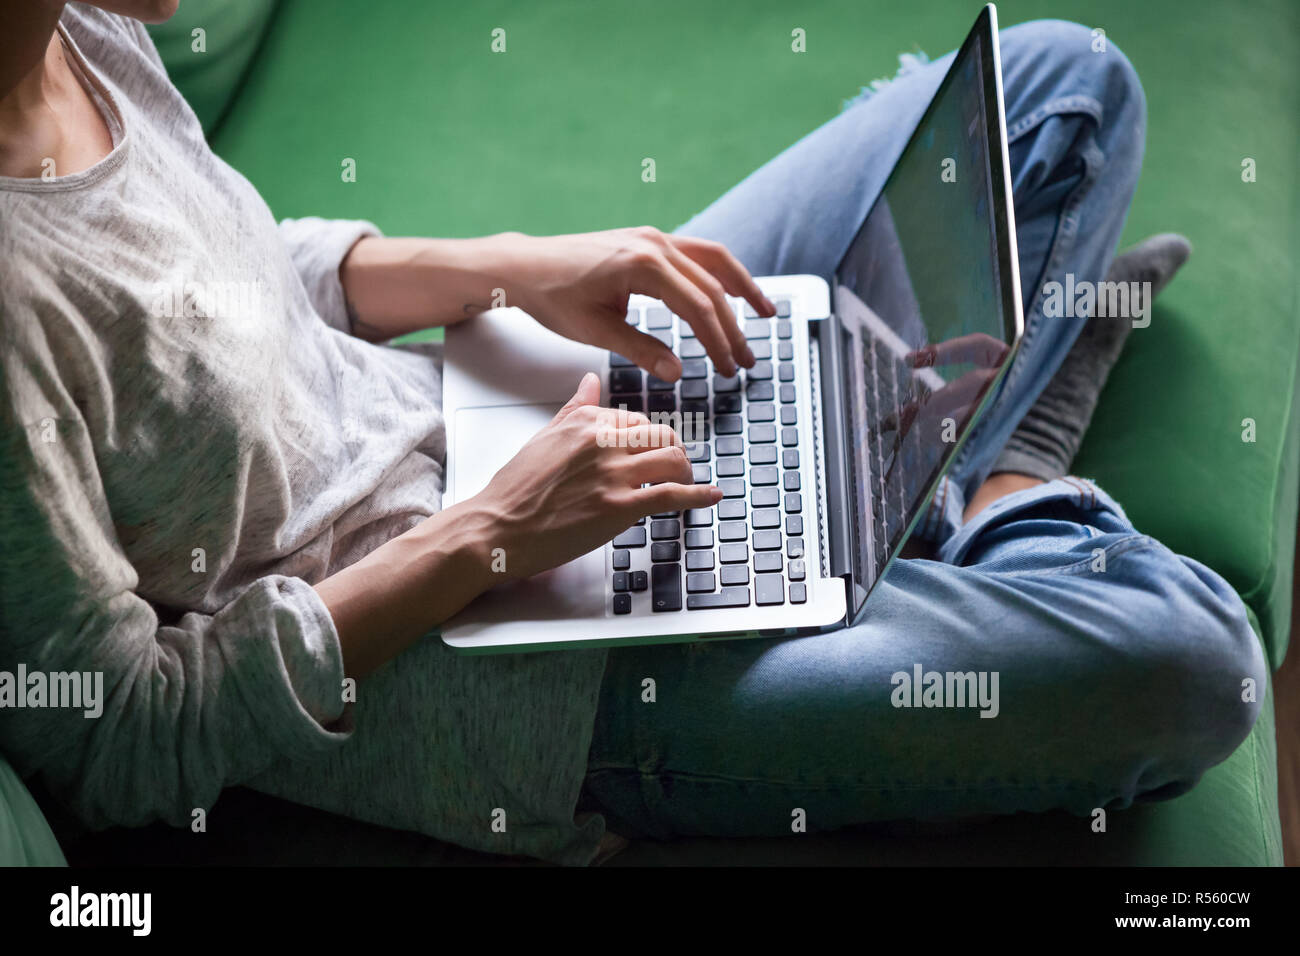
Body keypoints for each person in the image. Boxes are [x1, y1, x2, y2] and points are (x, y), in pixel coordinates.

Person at [0, 1, 1266, 866]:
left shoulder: (87, 28)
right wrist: (492, 536)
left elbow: (229, 289)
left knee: (1062, 89)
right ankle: (1001, 479)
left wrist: (517, 270)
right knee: (1201, 660)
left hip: (514, 408)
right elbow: (116, 733)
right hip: (493, 674)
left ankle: (906, 480)